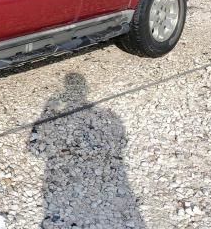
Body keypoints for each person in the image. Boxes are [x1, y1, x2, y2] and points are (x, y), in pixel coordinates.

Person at [29, 72, 145, 228]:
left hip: (62, 178)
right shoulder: (108, 116)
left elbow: (34, 149)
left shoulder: (54, 111)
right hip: (104, 177)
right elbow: (121, 142)